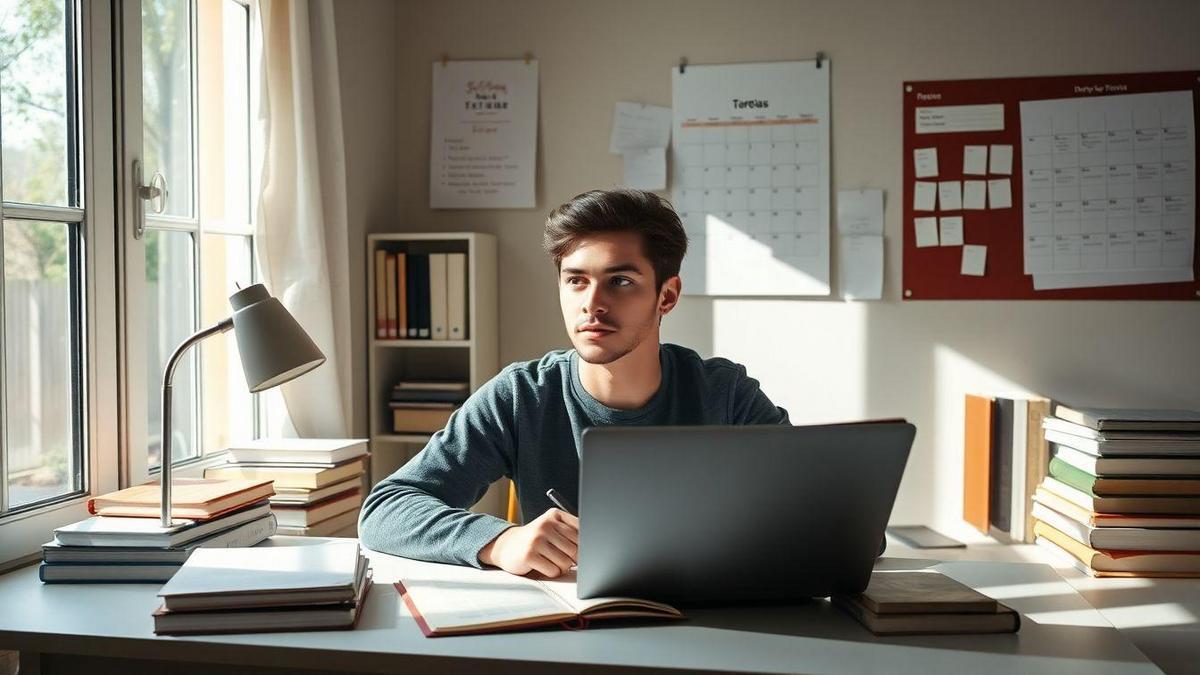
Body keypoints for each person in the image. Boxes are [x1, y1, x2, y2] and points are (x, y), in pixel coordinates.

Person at [358, 189, 789, 578]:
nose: (592, 304)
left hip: (717, 627)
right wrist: (500, 542)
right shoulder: (520, 396)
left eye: (620, 282)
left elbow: (809, 510)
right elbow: (385, 509)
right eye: (576, 280)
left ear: (667, 296)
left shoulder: (725, 394)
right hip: (574, 634)